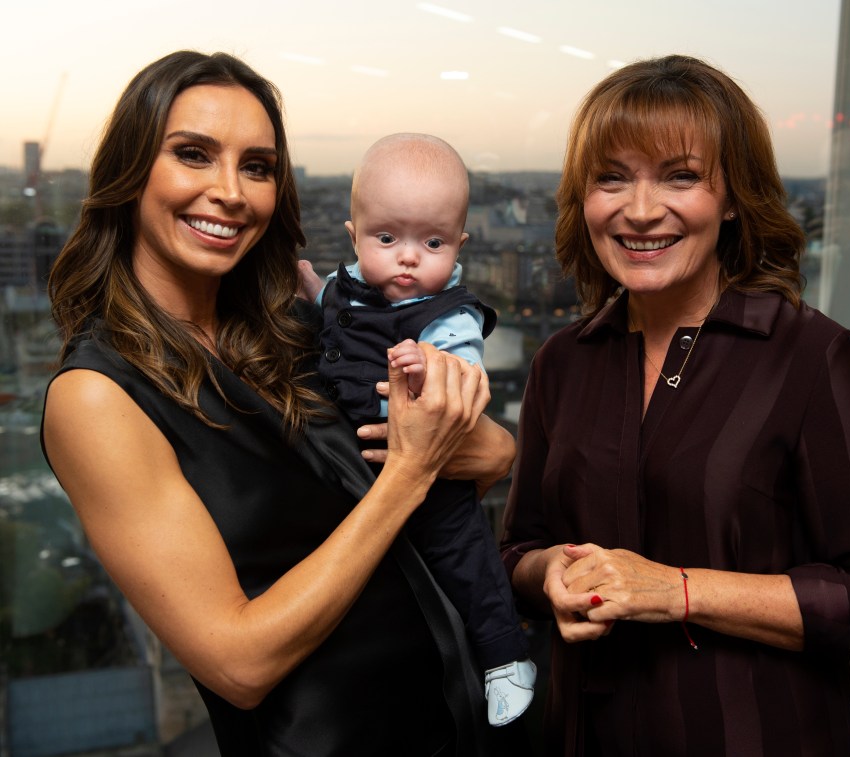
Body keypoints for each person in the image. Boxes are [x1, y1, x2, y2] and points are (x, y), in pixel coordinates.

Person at [41, 50, 521, 756]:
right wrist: (410, 474)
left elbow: (474, 453)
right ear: (131, 170)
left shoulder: (291, 331)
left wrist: (492, 447)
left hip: (458, 722)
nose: (231, 192)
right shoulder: (97, 397)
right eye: (194, 155)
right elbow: (239, 663)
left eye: (258, 166)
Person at [499, 54, 850, 756]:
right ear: (583, 199)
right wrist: (547, 574)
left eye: (680, 175)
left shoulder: (810, 357)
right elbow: (519, 546)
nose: (640, 209)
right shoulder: (563, 362)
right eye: (612, 177)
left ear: (731, 197)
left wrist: (679, 590)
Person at [297, 133, 537, 727]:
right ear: (354, 239)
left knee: (466, 561)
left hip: (432, 478)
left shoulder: (447, 317)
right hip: (365, 474)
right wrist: (311, 290)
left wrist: (426, 368)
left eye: (432, 242)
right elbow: (335, 298)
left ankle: (506, 660)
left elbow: (462, 381)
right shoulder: (352, 287)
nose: (408, 258)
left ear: (459, 246)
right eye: (387, 239)